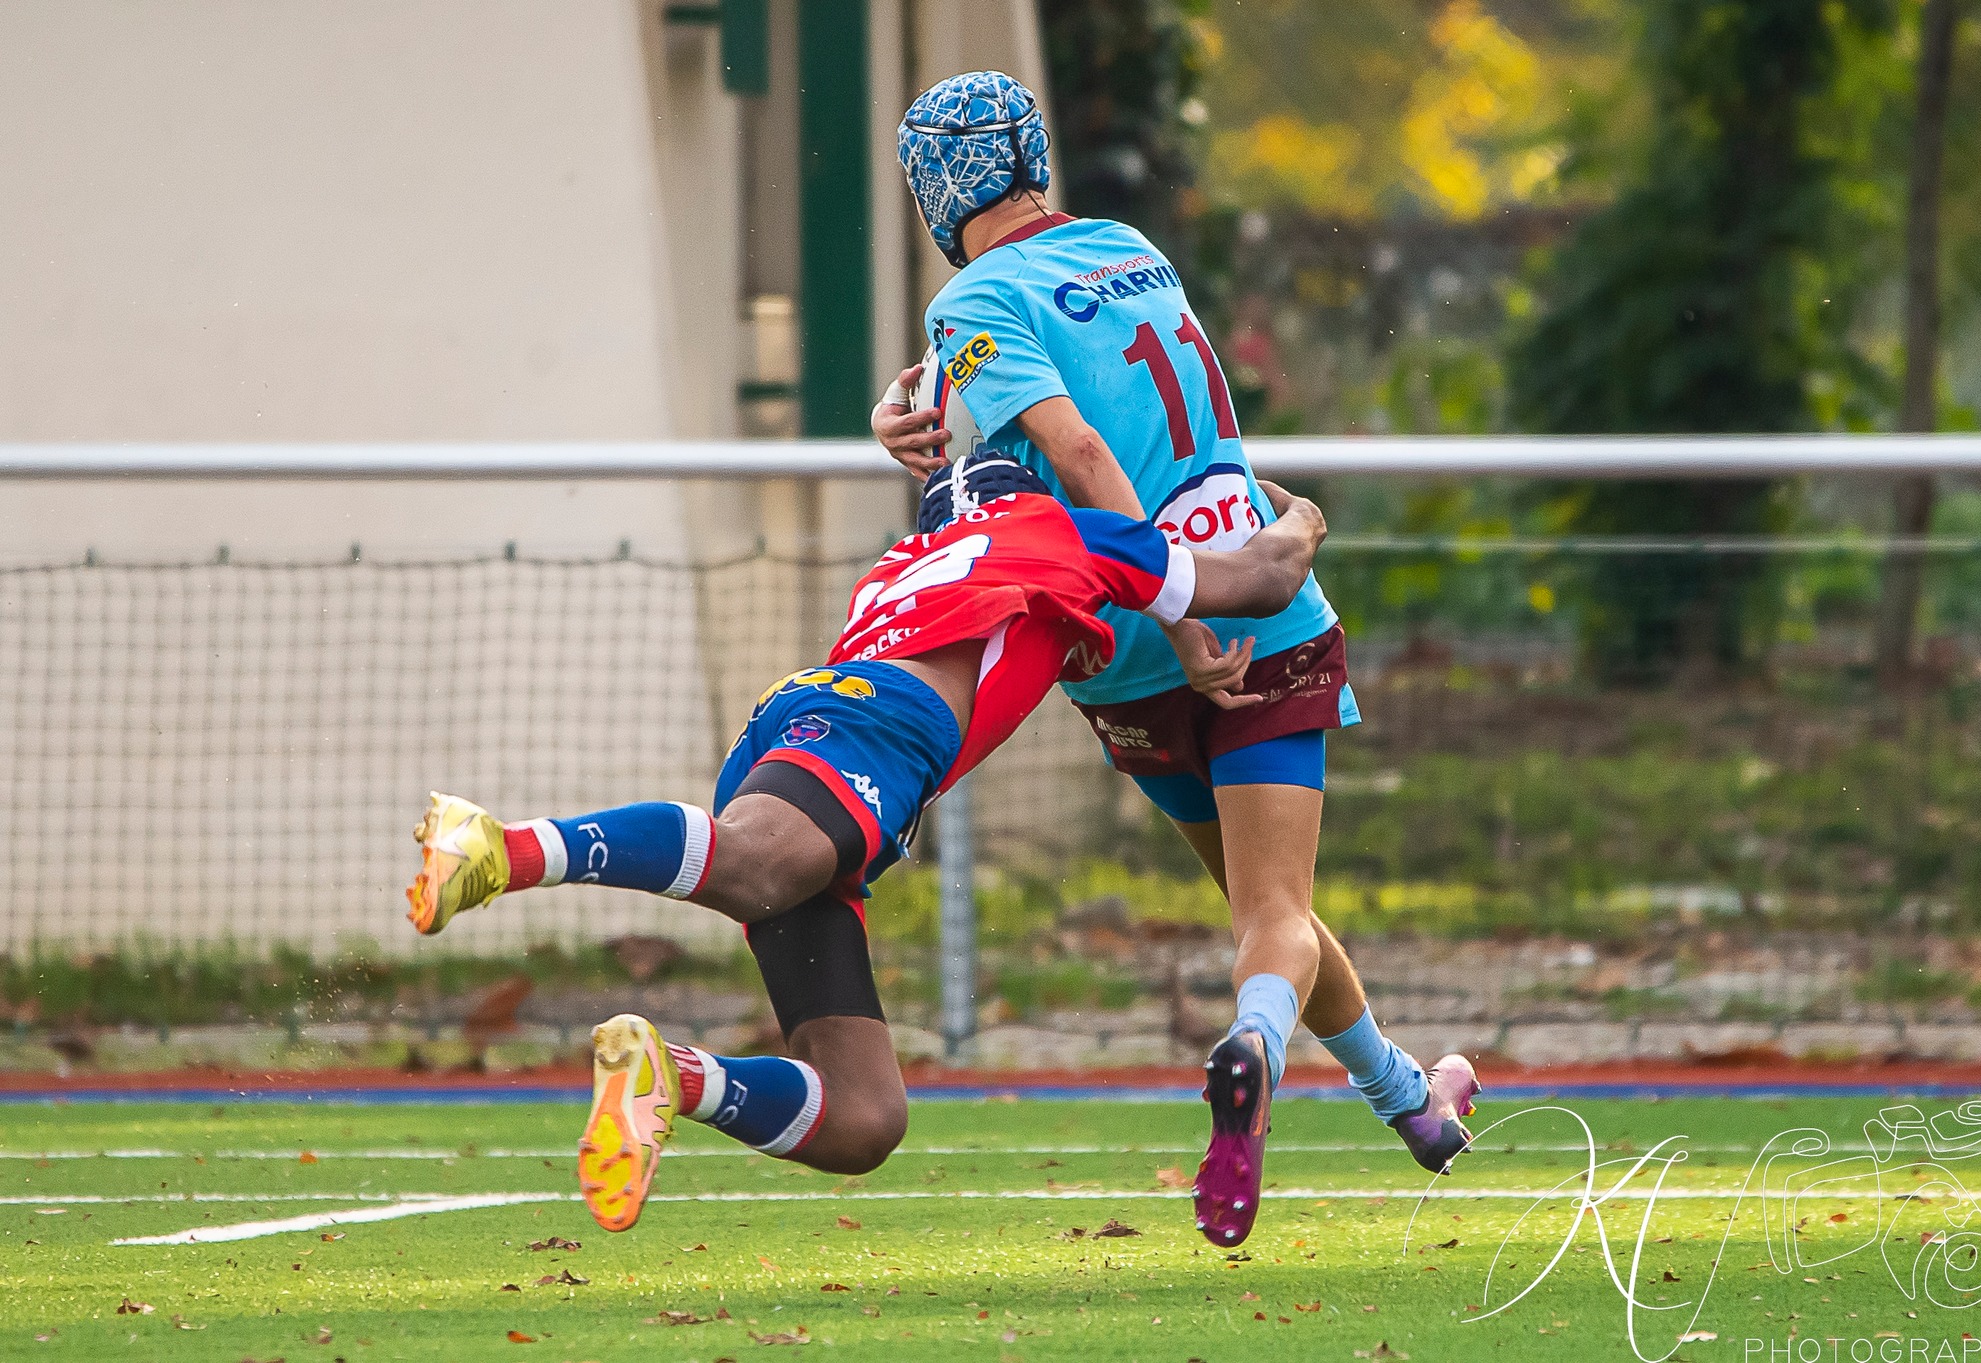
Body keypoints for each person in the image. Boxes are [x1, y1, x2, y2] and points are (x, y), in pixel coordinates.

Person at [403, 455, 1326, 1236]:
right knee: (759, 868)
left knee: (863, 1115)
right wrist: (1297, 513)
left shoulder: (904, 562)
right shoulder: (1065, 530)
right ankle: (504, 847)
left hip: (809, 718)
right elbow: (1266, 576)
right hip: (884, 723)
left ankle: (672, 1077)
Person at [877, 70, 1478, 1246]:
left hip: (1123, 652)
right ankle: (1254, 1045)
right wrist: (1192, 610)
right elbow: (1101, 429)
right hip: (1258, 606)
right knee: (1274, 915)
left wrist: (1165, 617)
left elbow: (1069, 444)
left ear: (931, 196)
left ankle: (1410, 1103)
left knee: (1266, 913)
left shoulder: (968, 303)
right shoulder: (1128, 247)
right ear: (1031, 158)